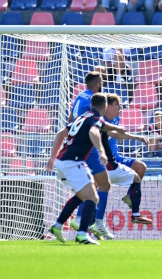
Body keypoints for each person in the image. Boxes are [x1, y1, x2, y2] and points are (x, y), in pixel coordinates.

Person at [46, 93, 125, 245]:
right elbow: (94, 132)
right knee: (93, 198)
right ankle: (82, 234)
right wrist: (101, 151)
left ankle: (57, 226)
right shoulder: (96, 120)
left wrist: (51, 157)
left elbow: (60, 134)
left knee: (82, 195)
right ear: (105, 107)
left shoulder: (83, 117)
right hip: (73, 163)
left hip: (62, 161)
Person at [69, 94, 152, 237]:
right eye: (118, 104)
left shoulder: (112, 119)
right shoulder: (99, 120)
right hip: (102, 161)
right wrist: (133, 136)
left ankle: (128, 199)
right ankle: (87, 222)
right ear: (107, 106)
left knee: (140, 168)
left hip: (114, 158)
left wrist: (134, 136)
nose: (121, 107)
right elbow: (115, 134)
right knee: (95, 189)